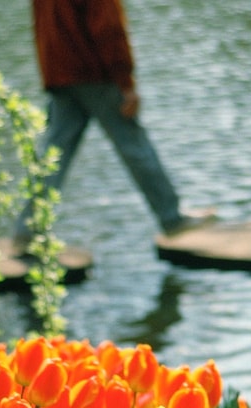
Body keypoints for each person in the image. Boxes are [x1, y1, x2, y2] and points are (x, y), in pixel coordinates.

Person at [18, 0, 212, 250]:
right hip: (96, 75)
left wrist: (50, 74)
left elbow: (42, 26)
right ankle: (171, 218)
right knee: (134, 144)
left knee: (53, 154)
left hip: (59, 74)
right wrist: (126, 83)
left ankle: (26, 230)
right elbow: (107, 27)